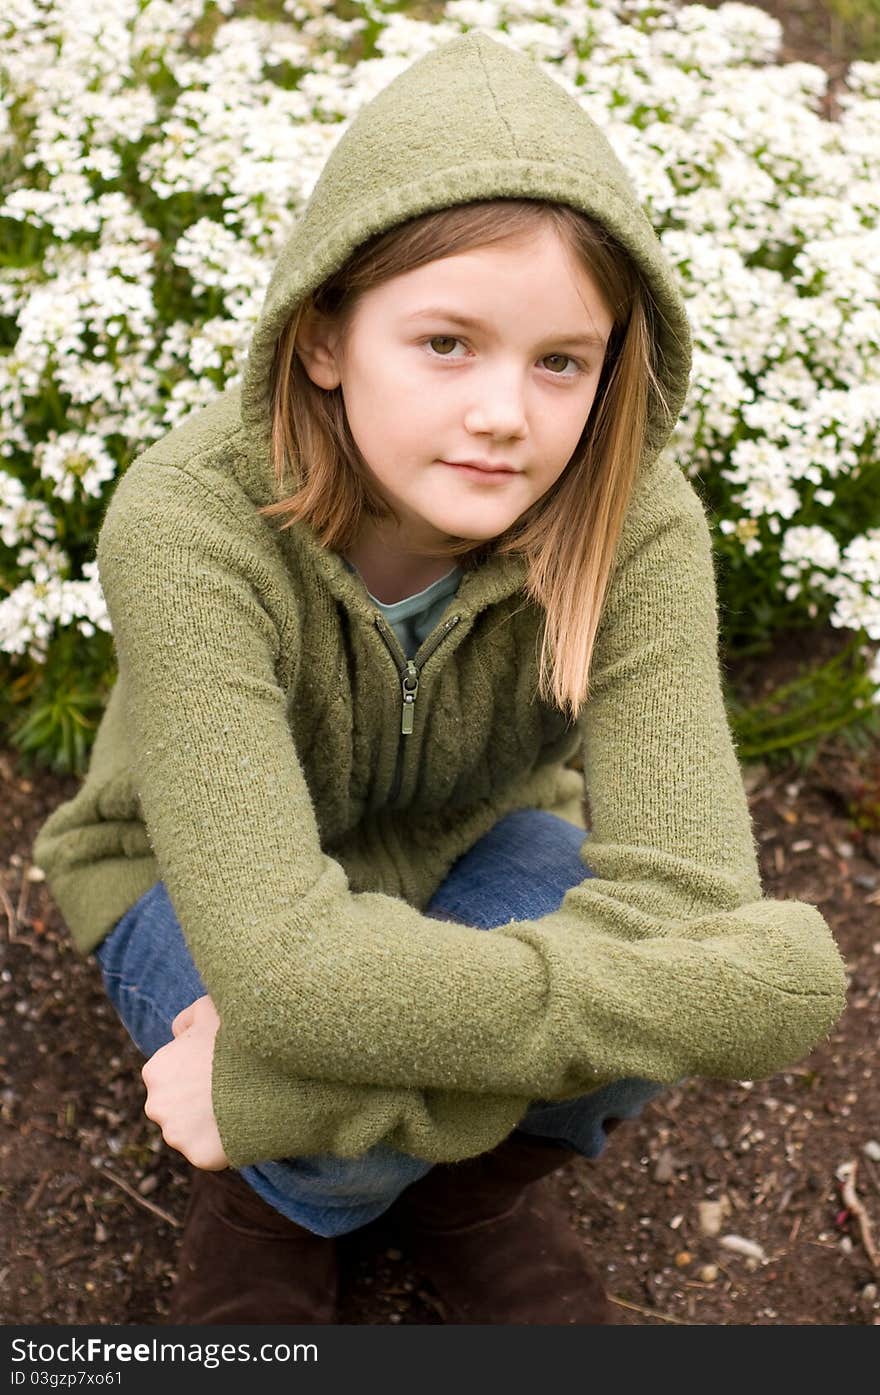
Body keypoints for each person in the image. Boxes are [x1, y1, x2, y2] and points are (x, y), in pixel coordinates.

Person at [32, 30, 846, 1327]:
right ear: (323, 338)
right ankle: (292, 1211)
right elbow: (285, 969)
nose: (504, 415)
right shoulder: (187, 519)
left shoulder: (636, 519)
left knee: (474, 1011)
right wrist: (685, 993)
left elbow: (692, 908)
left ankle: (380, 1178)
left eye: (559, 361)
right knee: (613, 1012)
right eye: (448, 343)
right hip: (195, 881)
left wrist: (273, 1089)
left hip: (477, 844)